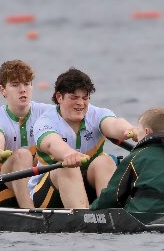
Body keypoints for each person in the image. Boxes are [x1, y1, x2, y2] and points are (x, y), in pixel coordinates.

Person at [29, 67, 135, 209]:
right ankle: (83, 219)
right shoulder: (45, 121)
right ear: (59, 97)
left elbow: (114, 124)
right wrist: (68, 154)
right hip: (48, 193)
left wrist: (131, 130)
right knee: (67, 166)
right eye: (74, 98)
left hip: (86, 186)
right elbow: (52, 143)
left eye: (85, 98)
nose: (81, 103)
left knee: (106, 160)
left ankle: (110, 212)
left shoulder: (97, 114)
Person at [90, 106, 164, 214]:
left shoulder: (136, 156)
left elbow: (114, 195)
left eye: (138, 129)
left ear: (147, 132)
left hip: (141, 214)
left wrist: (92, 209)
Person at [0, 60, 56, 208]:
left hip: (35, 182)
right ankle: (31, 213)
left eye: (27, 84)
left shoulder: (47, 112)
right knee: (22, 154)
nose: (23, 89)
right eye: (15, 85)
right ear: (3, 90)